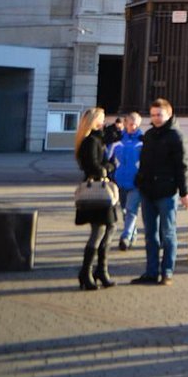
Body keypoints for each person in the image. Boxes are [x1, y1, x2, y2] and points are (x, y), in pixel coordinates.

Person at [131, 99, 188, 286]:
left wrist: (185, 193)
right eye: (153, 115)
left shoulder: (176, 136)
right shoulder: (149, 135)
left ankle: (167, 272)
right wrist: (139, 182)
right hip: (148, 191)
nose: (156, 118)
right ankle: (151, 272)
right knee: (150, 235)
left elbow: (182, 166)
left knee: (167, 233)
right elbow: (143, 163)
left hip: (166, 192)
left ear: (168, 114)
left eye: (159, 114)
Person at [74, 106, 118, 291]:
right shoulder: (90, 141)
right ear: (94, 121)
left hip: (100, 188)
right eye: (101, 118)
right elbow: (93, 166)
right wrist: (109, 166)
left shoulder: (94, 139)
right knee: (99, 231)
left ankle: (100, 270)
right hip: (98, 190)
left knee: (109, 228)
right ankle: (87, 271)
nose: (104, 121)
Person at [109, 112, 144, 251]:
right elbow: (109, 158)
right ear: (125, 123)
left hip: (136, 182)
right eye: (131, 123)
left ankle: (125, 236)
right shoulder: (118, 140)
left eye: (136, 123)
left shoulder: (143, 140)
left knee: (131, 210)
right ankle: (132, 234)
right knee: (124, 210)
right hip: (119, 181)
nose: (133, 126)